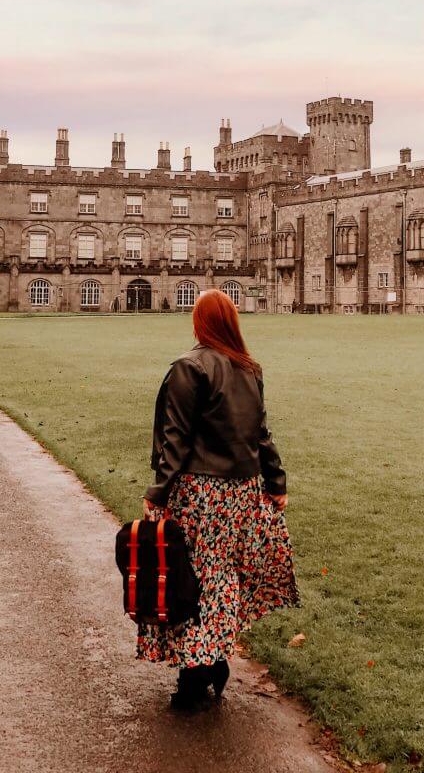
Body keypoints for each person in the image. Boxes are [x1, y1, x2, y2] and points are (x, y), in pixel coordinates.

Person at [138, 289, 298, 711]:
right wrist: (276, 482)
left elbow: (176, 439)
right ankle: (216, 660)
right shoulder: (249, 368)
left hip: (201, 494)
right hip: (241, 492)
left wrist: (158, 493)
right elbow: (261, 434)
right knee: (223, 577)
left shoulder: (190, 368)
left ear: (200, 322)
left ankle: (194, 678)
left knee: (193, 582)